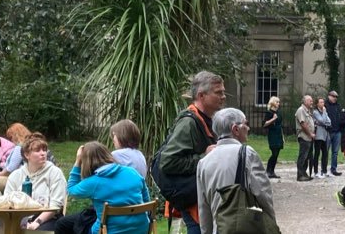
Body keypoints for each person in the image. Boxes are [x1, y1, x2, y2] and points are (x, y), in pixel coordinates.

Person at [153, 71, 223, 234]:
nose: (223, 96)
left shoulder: (206, 120)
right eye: (218, 92)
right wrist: (204, 157)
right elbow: (168, 162)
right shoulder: (188, 123)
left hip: (201, 200)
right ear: (201, 95)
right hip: (193, 203)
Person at [196, 108, 274, 233]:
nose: (248, 128)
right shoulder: (247, 153)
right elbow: (263, 194)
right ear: (235, 129)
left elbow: (203, 207)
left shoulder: (203, 162)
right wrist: (271, 222)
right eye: (245, 124)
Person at [59, 142, 151, 234]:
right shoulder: (132, 172)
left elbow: (71, 190)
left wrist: (77, 161)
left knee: (64, 224)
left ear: (86, 162)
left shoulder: (93, 182)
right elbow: (147, 202)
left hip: (109, 231)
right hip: (141, 229)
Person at [5, 136, 67, 231]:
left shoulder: (55, 173)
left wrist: (36, 223)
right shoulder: (15, 175)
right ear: (27, 155)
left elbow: (55, 206)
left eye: (44, 150)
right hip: (20, 218)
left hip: (48, 218)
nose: (43, 153)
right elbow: (7, 201)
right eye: (38, 150)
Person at [0, 123, 34, 195]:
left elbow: (11, 168)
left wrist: (0, 175)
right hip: (24, 176)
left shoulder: (19, 147)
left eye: (11, 137)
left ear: (16, 135)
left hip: (19, 178)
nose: (11, 140)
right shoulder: (31, 144)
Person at [324, 92, 345, 176]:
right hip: (328, 131)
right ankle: (323, 170)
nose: (335, 98)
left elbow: (341, 118)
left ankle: (333, 169)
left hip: (337, 131)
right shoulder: (325, 105)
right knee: (325, 151)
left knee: (335, 152)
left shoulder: (338, 106)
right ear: (329, 96)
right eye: (333, 96)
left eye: (336, 96)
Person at [294, 95, 316, 182]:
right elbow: (303, 124)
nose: (312, 102)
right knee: (303, 156)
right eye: (310, 100)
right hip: (304, 136)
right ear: (305, 102)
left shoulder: (308, 111)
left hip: (309, 137)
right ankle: (300, 175)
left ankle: (304, 173)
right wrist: (310, 134)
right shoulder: (301, 110)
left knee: (307, 156)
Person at [262, 97, 283, 179]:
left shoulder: (279, 112)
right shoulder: (269, 112)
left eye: (279, 102)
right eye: (277, 102)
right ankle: (268, 170)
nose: (279, 103)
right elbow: (264, 124)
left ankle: (272, 171)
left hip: (279, 134)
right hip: (273, 134)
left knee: (277, 153)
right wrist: (273, 119)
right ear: (273, 103)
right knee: (274, 153)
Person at [312, 98, 331, 179]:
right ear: (317, 104)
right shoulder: (315, 112)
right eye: (321, 102)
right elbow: (321, 120)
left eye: (323, 102)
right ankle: (316, 172)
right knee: (317, 153)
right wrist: (324, 113)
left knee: (325, 153)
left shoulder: (324, 112)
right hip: (318, 136)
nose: (323, 103)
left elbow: (329, 122)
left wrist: (323, 121)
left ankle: (324, 171)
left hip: (324, 135)